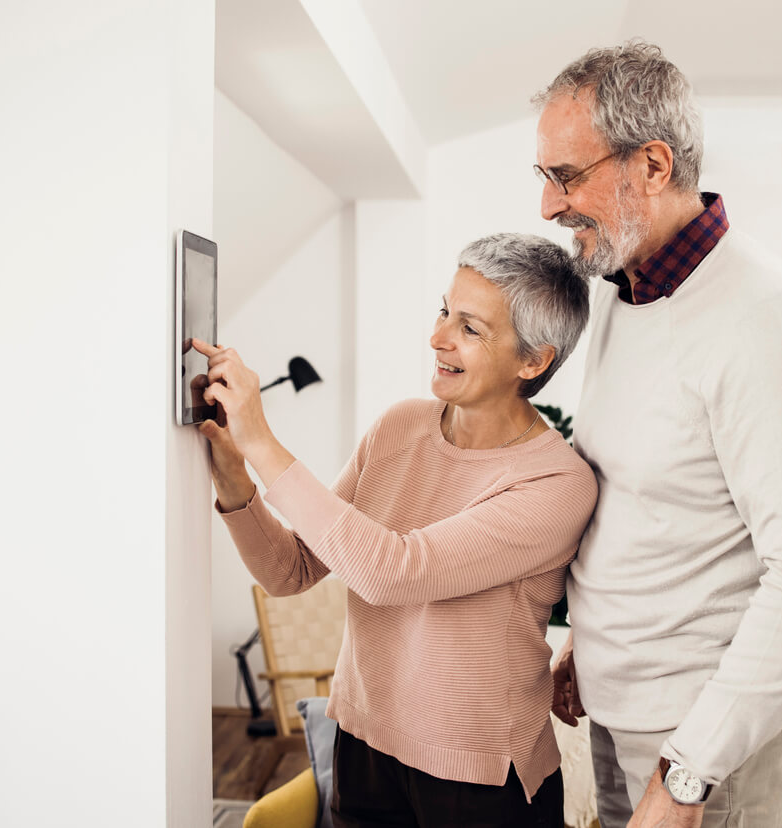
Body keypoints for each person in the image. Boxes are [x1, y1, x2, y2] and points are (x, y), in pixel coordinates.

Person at [532, 42, 782, 828]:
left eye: (566, 176)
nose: (547, 208)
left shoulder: (761, 318)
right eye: (541, 178)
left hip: (711, 756)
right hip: (621, 719)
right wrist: (592, 645)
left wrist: (688, 775)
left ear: (651, 165)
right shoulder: (622, 291)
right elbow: (652, 502)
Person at [195, 233, 597, 828]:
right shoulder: (399, 427)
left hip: (479, 776)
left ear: (533, 361)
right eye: (443, 311)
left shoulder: (557, 484)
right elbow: (290, 570)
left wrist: (261, 440)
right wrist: (234, 475)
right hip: (363, 742)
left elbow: (393, 571)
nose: (438, 338)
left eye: (470, 328)